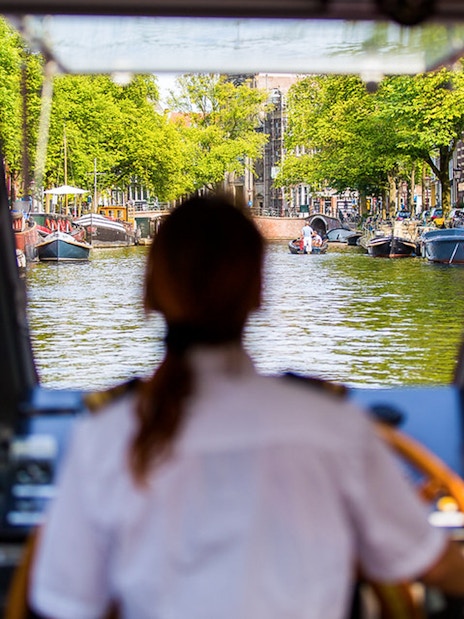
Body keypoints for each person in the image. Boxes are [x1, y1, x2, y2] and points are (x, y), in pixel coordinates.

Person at [29, 193, 464, 619]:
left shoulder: (104, 439)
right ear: (258, 290)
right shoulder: (332, 428)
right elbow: (435, 565)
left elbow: (64, 603)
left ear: (150, 295)